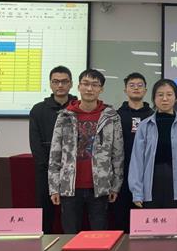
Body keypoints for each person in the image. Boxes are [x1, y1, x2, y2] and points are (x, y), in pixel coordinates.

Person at [48, 69, 123, 234]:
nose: (89, 89)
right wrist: (54, 187)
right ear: (78, 86)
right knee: (70, 235)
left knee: (99, 235)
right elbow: (55, 153)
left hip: (100, 186)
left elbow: (117, 154)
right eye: (86, 84)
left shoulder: (111, 117)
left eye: (95, 85)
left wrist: (115, 186)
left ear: (101, 89)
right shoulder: (65, 116)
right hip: (69, 186)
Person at [128, 79, 177, 209]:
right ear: (154, 98)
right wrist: (137, 192)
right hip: (150, 186)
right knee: (153, 221)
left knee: (176, 221)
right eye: (160, 95)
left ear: (176, 98)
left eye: (169, 94)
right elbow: (137, 161)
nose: (165, 99)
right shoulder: (144, 125)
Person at [29, 65, 76, 233]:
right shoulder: (38, 110)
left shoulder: (79, 108)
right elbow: (35, 143)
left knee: (72, 214)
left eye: (64, 81)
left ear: (71, 84)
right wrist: (48, 167)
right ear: (50, 84)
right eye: (56, 81)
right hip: (45, 169)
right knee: (45, 212)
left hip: (74, 169)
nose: (60, 85)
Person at [115, 72, 153, 232]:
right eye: (132, 85)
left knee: (144, 219)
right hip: (122, 174)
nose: (136, 88)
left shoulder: (152, 116)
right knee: (122, 218)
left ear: (145, 90)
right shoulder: (116, 115)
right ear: (125, 90)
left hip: (145, 174)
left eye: (140, 85)